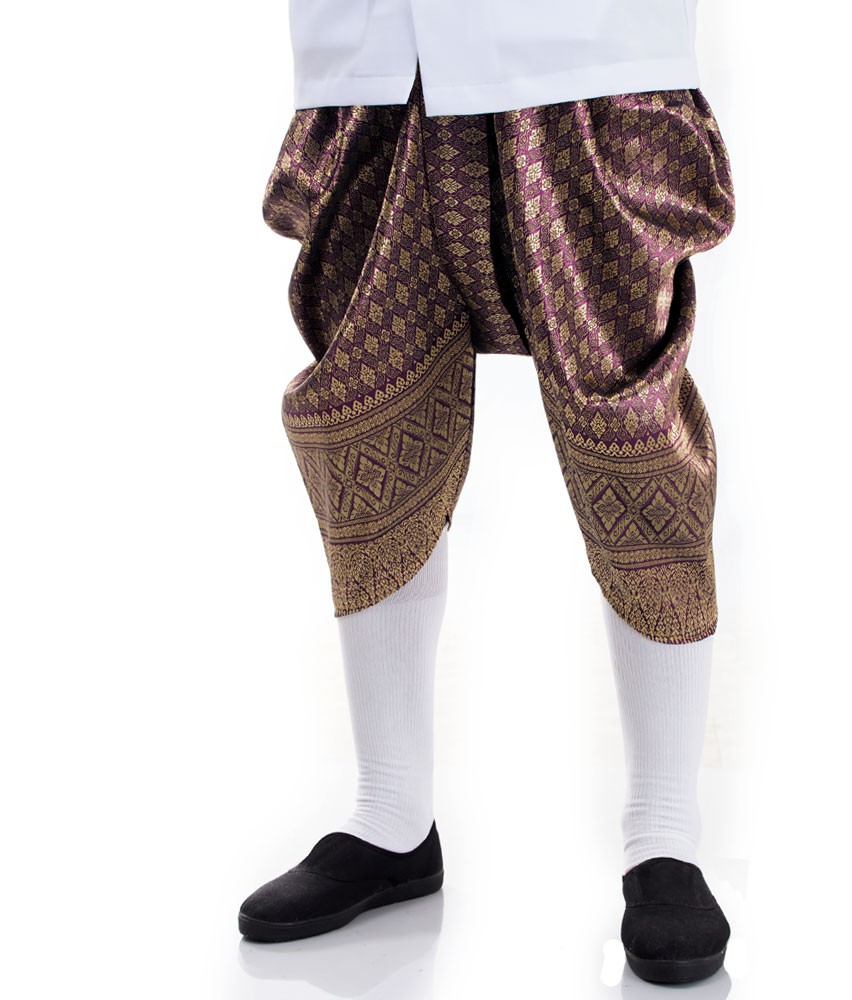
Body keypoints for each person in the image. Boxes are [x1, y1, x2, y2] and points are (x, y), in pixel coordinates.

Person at [238, 0, 736, 985]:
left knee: (631, 428)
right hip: (376, 66)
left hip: (586, 62)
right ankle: (390, 816)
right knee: (363, 416)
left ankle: (664, 834)